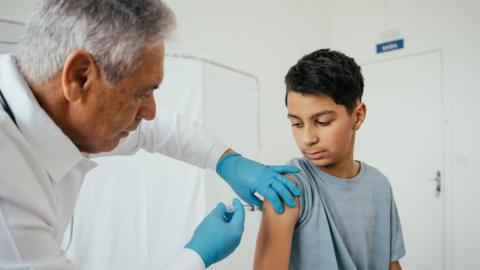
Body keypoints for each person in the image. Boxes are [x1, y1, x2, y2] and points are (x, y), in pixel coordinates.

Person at [0, 1, 301, 269]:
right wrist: (196, 255)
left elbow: (156, 131)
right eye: (140, 94)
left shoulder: (63, 114)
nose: (151, 112)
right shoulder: (8, 191)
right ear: (79, 77)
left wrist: (227, 161)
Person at [253, 49, 406, 270]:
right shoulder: (289, 186)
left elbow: (392, 265)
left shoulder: (380, 185)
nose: (307, 139)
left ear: (358, 116)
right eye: (296, 123)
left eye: (323, 122)